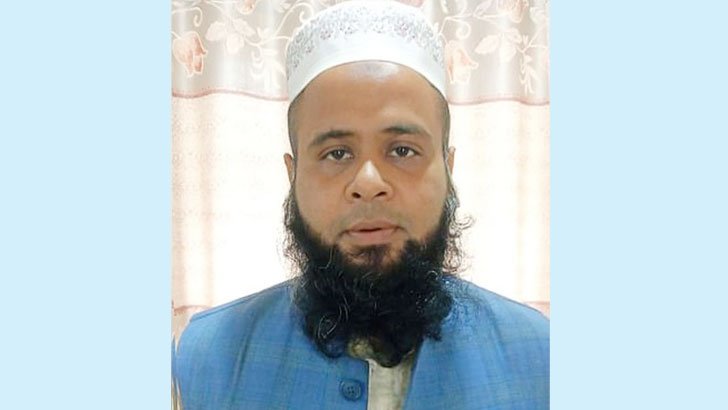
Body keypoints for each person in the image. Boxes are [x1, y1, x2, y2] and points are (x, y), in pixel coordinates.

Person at [173, 1, 549, 409]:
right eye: (336, 154)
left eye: (403, 150)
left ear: (448, 168)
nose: (368, 184)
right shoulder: (205, 357)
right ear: (293, 175)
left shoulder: (542, 355)